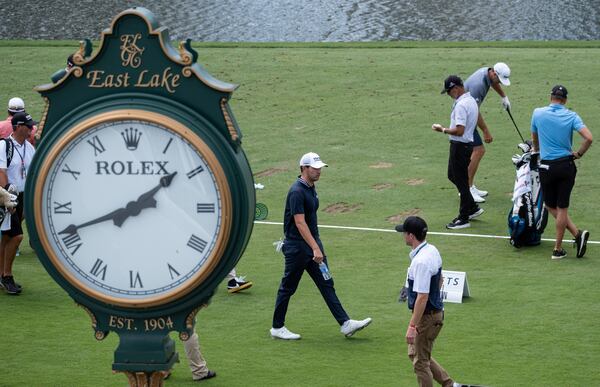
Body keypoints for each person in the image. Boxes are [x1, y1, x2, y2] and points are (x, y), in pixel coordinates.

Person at [270, 152, 372, 340]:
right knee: (288, 287)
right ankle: (277, 327)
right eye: (314, 168)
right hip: (298, 248)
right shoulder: (297, 191)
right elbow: (299, 223)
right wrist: (315, 248)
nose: (318, 171)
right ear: (304, 168)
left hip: (312, 244)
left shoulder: (310, 188)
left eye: (319, 168)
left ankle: (345, 324)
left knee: (326, 282)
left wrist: (316, 246)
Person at [396, 216, 464, 387]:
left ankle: (449, 384)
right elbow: (440, 279)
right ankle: (450, 385)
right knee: (417, 354)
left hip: (427, 317)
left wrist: (412, 326)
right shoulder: (432, 250)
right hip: (433, 314)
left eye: (404, 233)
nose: (403, 236)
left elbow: (422, 297)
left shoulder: (420, 262)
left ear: (411, 236)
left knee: (420, 363)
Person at [530, 85, 592, 259]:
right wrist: (578, 154)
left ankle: (561, 247)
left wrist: (536, 152)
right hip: (566, 166)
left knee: (551, 206)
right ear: (564, 100)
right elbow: (589, 138)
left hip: (546, 167)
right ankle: (573, 238)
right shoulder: (571, 116)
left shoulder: (538, 113)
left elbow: (535, 139)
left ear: (551, 97)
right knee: (561, 207)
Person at [433, 75, 483, 230]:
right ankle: (473, 207)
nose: (448, 94)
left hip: (460, 146)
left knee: (461, 182)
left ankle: (463, 218)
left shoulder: (462, 105)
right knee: (452, 175)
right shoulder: (472, 101)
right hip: (465, 146)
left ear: (456, 88)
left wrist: (442, 129)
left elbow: (459, 130)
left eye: (449, 91)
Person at [464, 62, 511, 202]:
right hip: (465, 116)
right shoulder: (478, 85)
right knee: (478, 150)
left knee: (478, 151)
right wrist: (485, 131)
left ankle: (469, 186)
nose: (500, 83)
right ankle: (466, 189)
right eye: (499, 80)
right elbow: (474, 111)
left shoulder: (487, 72)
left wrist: (504, 97)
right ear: (494, 73)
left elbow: (493, 83)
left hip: (466, 111)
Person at [0, 112, 36, 294]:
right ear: (19, 127)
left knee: (6, 237)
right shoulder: (4, 145)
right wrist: (8, 198)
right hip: (6, 197)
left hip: (22, 197)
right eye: (28, 125)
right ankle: (7, 276)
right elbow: (1, 172)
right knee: (17, 236)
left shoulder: (28, 147)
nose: (31, 128)